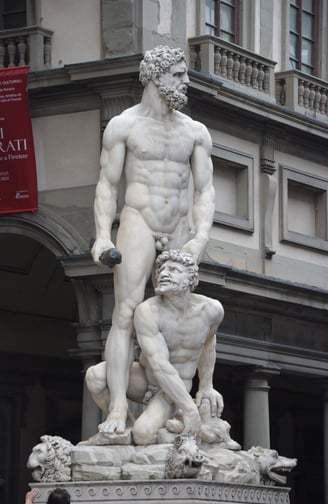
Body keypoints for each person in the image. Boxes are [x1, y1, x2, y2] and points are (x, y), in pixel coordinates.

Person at [91, 45, 215, 436]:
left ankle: (192, 399)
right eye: (178, 74)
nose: (185, 81)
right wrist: (100, 237)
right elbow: (107, 186)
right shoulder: (123, 126)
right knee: (125, 314)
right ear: (155, 76)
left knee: (185, 312)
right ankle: (115, 409)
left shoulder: (195, 131)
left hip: (179, 225)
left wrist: (200, 239)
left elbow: (205, 192)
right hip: (138, 221)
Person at [86, 250, 224, 445]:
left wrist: (206, 385)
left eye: (174, 270)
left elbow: (208, 342)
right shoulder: (148, 311)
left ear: (190, 278)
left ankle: (180, 429)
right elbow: (159, 364)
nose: (164, 274)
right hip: (146, 377)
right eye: (161, 270)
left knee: (144, 435)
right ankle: (124, 429)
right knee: (95, 376)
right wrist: (190, 409)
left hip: (176, 386)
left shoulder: (212, 310)